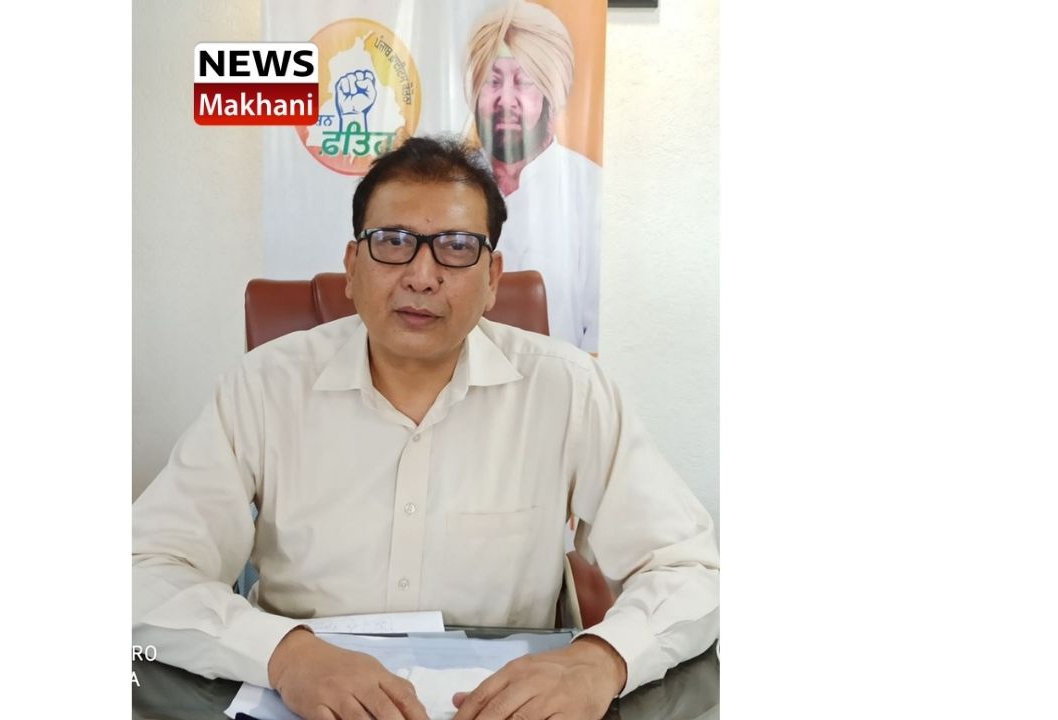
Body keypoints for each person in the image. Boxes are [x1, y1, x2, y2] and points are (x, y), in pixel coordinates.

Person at [132, 136, 718, 720]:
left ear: (492, 277)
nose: (421, 276)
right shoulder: (263, 386)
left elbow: (689, 568)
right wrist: (284, 655)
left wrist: (600, 660)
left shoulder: (568, 390)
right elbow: (144, 569)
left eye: (457, 248)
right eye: (392, 242)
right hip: (304, 698)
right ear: (351, 266)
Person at [464, 0, 601, 353]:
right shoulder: (452, 184)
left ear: (551, 93)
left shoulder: (591, 190)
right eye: (493, 81)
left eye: (523, 82)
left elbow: (600, 329)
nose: (506, 100)